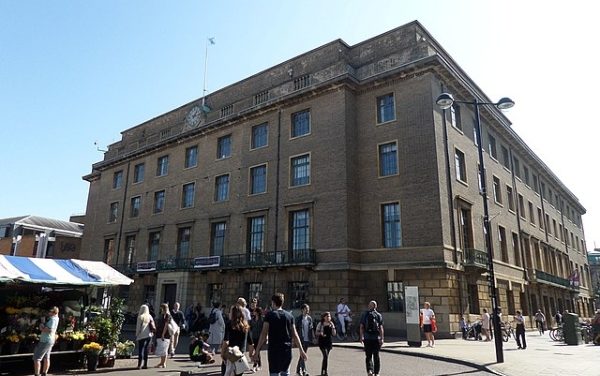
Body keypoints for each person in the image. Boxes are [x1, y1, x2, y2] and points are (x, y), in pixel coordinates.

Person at [253, 292, 307, 376]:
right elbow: (295, 334)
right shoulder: (289, 316)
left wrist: (257, 351)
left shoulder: (269, 316)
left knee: (274, 373)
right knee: (285, 373)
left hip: (274, 350)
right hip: (286, 350)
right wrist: (301, 350)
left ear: (273, 303)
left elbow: (263, 334)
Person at [221, 305, 254, 376]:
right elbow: (251, 343)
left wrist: (222, 353)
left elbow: (226, 341)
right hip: (240, 356)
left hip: (230, 354)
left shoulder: (229, 324)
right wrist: (251, 354)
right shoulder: (245, 326)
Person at [359, 300, 384, 376]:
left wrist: (361, 336)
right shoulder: (378, 315)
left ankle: (370, 370)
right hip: (375, 337)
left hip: (367, 337)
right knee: (376, 355)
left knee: (368, 355)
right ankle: (376, 372)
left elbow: (361, 326)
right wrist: (382, 338)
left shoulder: (364, 314)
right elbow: (381, 327)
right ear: (375, 307)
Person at [33, 306, 59, 376]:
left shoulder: (52, 319)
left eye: (50, 311)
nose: (49, 313)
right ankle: (44, 373)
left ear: (53, 312)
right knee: (46, 357)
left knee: (37, 358)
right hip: (50, 340)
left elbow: (49, 330)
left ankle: (37, 374)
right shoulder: (56, 319)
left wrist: (41, 324)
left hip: (45, 340)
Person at [294, 303, 314, 376]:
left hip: (307, 338)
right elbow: (295, 329)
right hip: (301, 339)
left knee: (303, 355)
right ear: (302, 310)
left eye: (308, 308)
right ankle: (303, 371)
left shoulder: (309, 318)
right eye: (306, 308)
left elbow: (311, 328)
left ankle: (298, 370)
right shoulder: (299, 318)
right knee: (303, 355)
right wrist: (294, 339)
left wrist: (313, 337)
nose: (308, 310)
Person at [315, 311, 336, 376]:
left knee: (326, 357)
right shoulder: (320, 324)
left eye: (329, 316)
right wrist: (321, 334)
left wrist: (333, 327)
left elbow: (334, 334)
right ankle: (324, 371)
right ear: (324, 317)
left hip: (328, 341)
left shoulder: (331, 324)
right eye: (327, 316)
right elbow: (316, 332)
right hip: (322, 341)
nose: (328, 318)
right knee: (325, 355)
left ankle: (324, 371)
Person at [135, 304, 155, 369]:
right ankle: (145, 364)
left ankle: (139, 365)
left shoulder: (140, 317)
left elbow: (138, 327)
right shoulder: (150, 316)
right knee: (146, 349)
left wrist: (136, 334)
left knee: (141, 350)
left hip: (142, 335)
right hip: (149, 335)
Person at [154, 303, 173, 368]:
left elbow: (166, 325)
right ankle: (162, 362)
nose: (160, 309)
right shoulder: (163, 315)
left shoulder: (168, 316)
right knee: (162, 348)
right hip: (160, 333)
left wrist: (163, 334)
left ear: (163, 308)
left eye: (161, 308)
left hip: (165, 334)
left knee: (164, 348)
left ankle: (163, 363)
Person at [249, 307, 264, 372]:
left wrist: (266, 337)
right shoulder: (253, 319)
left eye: (255, 311)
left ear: (258, 312)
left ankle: (255, 365)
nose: (253, 312)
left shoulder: (262, 319)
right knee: (256, 351)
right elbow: (250, 327)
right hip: (254, 337)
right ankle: (258, 364)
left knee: (257, 351)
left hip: (260, 337)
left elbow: (264, 328)